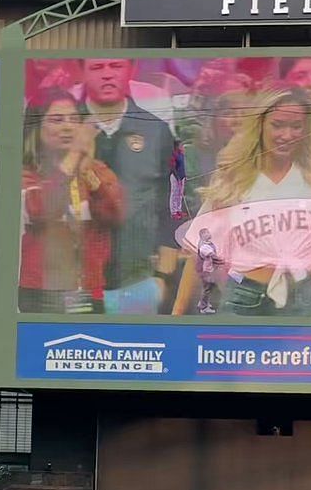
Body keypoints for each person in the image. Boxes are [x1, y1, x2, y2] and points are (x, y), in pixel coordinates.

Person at [175, 87, 311, 317]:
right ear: (261, 125)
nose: (287, 134)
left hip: (300, 299)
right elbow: (201, 251)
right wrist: (176, 316)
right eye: (278, 125)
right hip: (243, 298)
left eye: (296, 127)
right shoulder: (235, 178)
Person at [79, 58, 176, 313]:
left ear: (131, 70)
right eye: (97, 68)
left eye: (115, 66)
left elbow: (174, 206)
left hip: (138, 281)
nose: (107, 74)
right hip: (72, 283)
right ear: (82, 73)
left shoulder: (157, 131)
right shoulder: (61, 126)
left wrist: (163, 277)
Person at [19, 89, 124, 314]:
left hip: (88, 290)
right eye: (57, 120)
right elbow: (40, 209)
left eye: (74, 120)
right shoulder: (24, 174)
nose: (68, 127)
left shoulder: (96, 171)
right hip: (41, 293)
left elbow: (116, 216)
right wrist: (74, 155)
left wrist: (87, 174)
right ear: (37, 128)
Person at [195, 227, 220, 314]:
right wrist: (223, 261)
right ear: (202, 235)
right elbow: (213, 256)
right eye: (207, 233)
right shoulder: (204, 247)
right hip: (205, 271)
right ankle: (203, 307)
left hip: (208, 269)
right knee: (207, 288)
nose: (209, 234)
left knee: (209, 286)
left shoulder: (208, 244)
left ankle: (203, 302)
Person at [169, 139, 186, 219]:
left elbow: (182, 166)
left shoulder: (182, 154)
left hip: (182, 177)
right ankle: (174, 212)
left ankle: (179, 210)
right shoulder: (174, 155)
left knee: (180, 194)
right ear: (176, 146)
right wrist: (178, 178)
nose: (182, 146)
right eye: (180, 145)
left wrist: (184, 176)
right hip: (175, 177)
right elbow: (172, 168)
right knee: (174, 194)